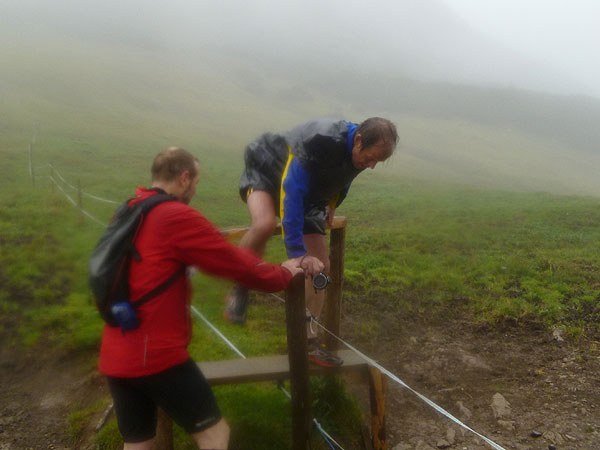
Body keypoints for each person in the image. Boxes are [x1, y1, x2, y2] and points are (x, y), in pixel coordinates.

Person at [98, 147, 323, 450]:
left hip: (116, 352)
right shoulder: (174, 216)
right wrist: (282, 274)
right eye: (196, 183)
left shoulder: (128, 211)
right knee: (215, 435)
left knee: (138, 443)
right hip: (156, 355)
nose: (194, 190)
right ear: (184, 178)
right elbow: (233, 262)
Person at [224, 117, 398, 367]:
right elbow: (291, 191)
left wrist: (333, 202)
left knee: (321, 266)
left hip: (311, 193)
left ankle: (307, 341)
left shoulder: (360, 151)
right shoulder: (319, 141)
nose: (371, 166)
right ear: (358, 140)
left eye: (377, 162)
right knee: (263, 225)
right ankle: (239, 289)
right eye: (371, 158)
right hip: (268, 171)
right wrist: (297, 253)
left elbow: (344, 176)